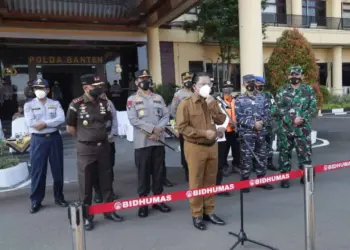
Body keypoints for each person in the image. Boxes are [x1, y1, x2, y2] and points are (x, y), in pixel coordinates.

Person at [66, 74, 123, 231]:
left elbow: (109, 121)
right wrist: (86, 137)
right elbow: (70, 128)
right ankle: (86, 217)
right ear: (86, 88)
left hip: (103, 147)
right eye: (95, 86)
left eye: (100, 85)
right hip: (86, 149)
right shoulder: (75, 104)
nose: (99, 88)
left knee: (106, 181)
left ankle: (109, 211)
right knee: (86, 185)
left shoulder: (104, 103)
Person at [176, 72, 226, 231]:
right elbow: (182, 128)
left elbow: (220, 120)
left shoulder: (212, 101)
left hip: (212, 146)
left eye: (209, 84)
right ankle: (197, 214)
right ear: (194, 87)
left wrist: (213, 105)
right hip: (195, 146)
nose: (207, 87)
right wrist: (204, 133)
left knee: (210, 181)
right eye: (203, 84)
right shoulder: (186, 104)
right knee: (196, 182)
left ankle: (209, 211)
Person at [126, 69, 171, 218]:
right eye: (142, 78)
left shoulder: (158, 97)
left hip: (158, 142)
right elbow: (133, 120)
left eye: (147, 78)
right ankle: (143, 203)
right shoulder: (132, 99)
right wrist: (152, 129)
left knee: (158, 174)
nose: (145, 80)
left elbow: (166, 115)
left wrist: (158, 130)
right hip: (143, 143)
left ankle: (158, 200)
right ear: (136, 82)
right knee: (143, 174)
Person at [23, 78, 67, 214]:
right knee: (38, 171)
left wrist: (45, 124)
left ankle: (59, 197)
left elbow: (61, 119)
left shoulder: (55, 103)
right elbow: (31, 122)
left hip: (54, 138)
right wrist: (50, 122)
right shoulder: (28, 105)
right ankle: (36, 201)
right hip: (38, 140)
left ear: (47, 90)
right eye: (36, 88)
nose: (39, 91)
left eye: (42, 88)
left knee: (58, 170)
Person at [273, 65, 317, 188]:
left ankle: (306, 175)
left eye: (297, 75)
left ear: (301, 76)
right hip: (285, 129)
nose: (294, 77)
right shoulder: (282, 91)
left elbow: (312, 107)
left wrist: (301, 118)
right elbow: (277, 108)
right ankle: (284, 177)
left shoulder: (308, 90)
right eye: (292, 74)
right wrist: (292, 119)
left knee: (305, 153)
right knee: (284, 154)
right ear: (288, 76)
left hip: (302, 128)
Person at [235, 74, 274, 193]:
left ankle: (261, 180)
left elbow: (268, 114)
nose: (251, 84)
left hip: (261, 132)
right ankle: (245, 182)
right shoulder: (239, 99)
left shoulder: (263, 98)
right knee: (246, 158)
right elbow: (238, 117)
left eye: (252, 82)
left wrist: (262, 122)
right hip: (247, 133)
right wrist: (253, 124)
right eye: (248, 82)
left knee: (262, 155)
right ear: (243, 84)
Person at [93, 90, 119, 203]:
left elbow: (115, 119)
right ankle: (98, 192)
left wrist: (112, 134)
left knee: (108, 166)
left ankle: (109, 190)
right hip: (93, 140)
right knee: (95, 166)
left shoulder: (108, 103)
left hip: (108, 138)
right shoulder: (85, 104)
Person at [170, 72, 193, 182]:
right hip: (184, 127)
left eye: (189, 78)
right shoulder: (178, 94)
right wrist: (179, 124)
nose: (188, 81)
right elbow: (173, 111)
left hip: (196, 126)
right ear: (182, 81)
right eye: (186, 79)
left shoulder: (196, 92)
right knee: (186, 150)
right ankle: (187, 171)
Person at [254, 76, 278, 172]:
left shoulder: (268, 95)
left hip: (268, 125)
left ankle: (269, 162)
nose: (259, 87)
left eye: (261, 85)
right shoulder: (251, 95)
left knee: (269, 143)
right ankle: (255, 164)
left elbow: (274, 107)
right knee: (256, 144)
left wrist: (267, 115)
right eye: (257, 85)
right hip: (256, 125)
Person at [220, 81, 241, 176]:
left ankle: (236, 165)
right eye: (226, 87)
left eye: (230, 87)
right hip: (224, 130)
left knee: (236, 150)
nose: (228, 89)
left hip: (235, 130)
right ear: (222, 89)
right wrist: (228, 123)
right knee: (224, 151)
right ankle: (224, 167)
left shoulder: (235, 100)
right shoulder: (219, 100)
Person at [215, 84, 230, 197]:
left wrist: (223, 127)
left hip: (220, 137)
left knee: (220, 163)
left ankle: (218, 185)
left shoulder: (218, 101)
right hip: (207, 138)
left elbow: (225, 115)